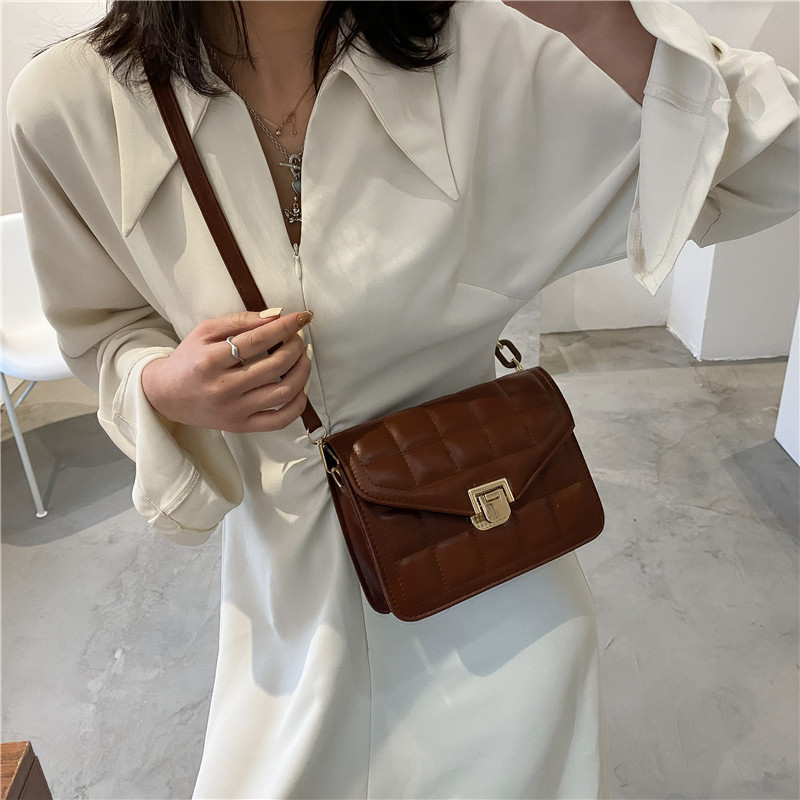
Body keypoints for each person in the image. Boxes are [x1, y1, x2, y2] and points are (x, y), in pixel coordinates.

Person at [7, 1, 799, 797]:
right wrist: (163, 385)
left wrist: (600, 22)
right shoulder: (70, 104)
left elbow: (777, 159)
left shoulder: (488, 46)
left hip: (495, 578)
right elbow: (102, 331)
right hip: (288, 608)